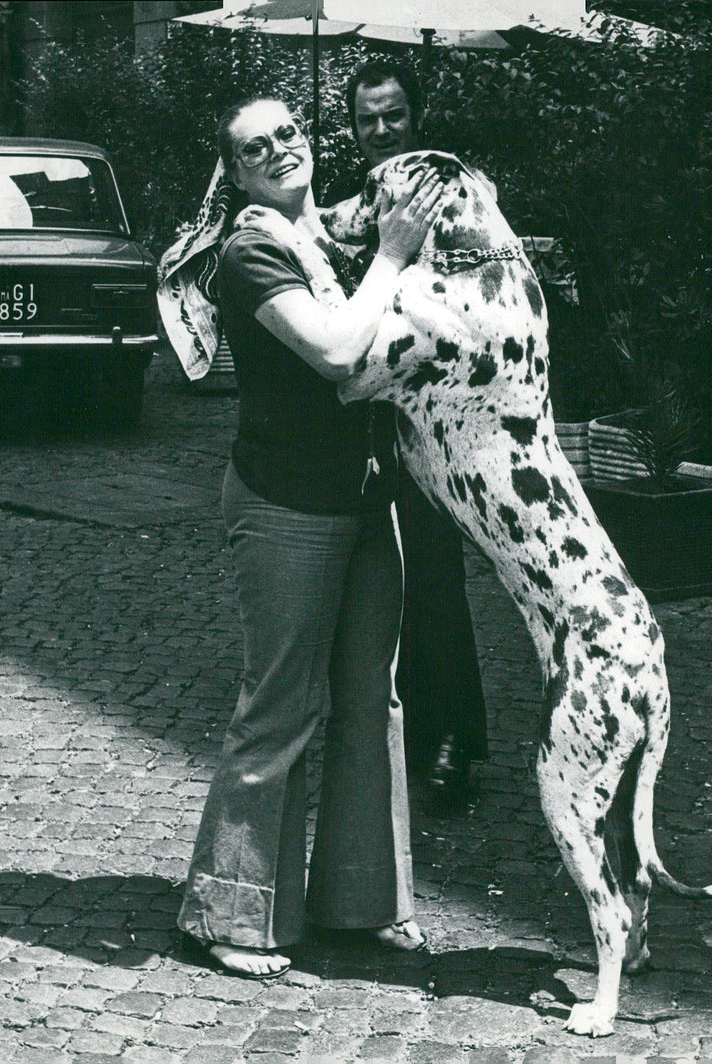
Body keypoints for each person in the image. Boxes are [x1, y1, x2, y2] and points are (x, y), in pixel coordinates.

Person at [173, 96, 444, 978]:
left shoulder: (329, 241)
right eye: (258, 147)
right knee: (280, 705)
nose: (281, 149)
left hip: (370, 502)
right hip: (285, 504)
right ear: (238, 171)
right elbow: (334, 350)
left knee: (372, 704)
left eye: (289, 133)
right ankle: (230, 916)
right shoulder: (248, 251)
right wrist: (394, 257)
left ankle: (359, 903)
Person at [323, 60, 489, 814]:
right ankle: (370, 733)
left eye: (393, 116)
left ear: (416, 115)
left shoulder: (454, 189)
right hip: (351, 418)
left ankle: (452, 738)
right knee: (355, 579)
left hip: (426, 418)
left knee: (432, 573)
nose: (381, 130)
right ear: (353, 127)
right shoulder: (354, 203)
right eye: (367, 119)